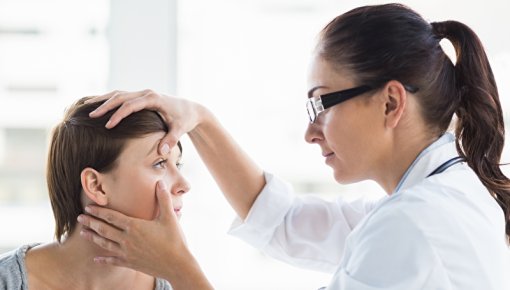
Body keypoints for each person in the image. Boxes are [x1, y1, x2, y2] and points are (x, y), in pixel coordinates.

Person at [77, 3, 510, 290]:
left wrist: (178, 269)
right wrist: (200, 118)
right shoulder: (436, 195)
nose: (311, 132)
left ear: (391, 102)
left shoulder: (413, 225)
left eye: (322, 103)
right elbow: (284, 221)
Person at [0, 97, 192, 289]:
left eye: (178, 164)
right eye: (159, 163)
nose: (184, 185)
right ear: (96, 186)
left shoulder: (175, 282)